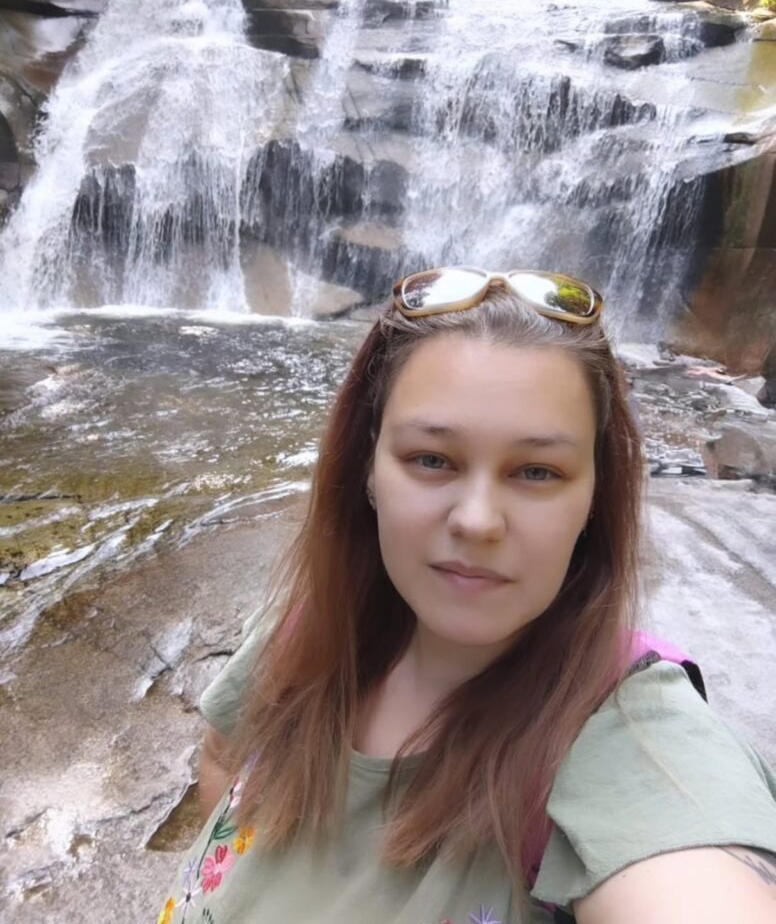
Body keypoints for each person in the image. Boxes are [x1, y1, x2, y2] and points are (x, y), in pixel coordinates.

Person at [157, 267, 776, 924]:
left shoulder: (632, 739)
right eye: (432, 459)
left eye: (536, 471)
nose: (477, 520)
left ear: (596, 495)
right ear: (368, 469)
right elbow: (224, 756)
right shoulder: (309, 629)